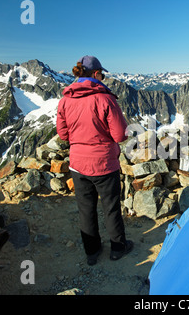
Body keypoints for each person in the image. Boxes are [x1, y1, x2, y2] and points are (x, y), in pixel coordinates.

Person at [56, 55, 133, 266]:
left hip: (78, 166)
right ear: (97, 74)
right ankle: (118, 249)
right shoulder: (105, 99)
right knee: (111, 208)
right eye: (103, 74)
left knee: (86, 209)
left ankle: (92, 252)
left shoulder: (65, 100)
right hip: (104, 165)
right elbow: (120, 135)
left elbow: (63, 135)